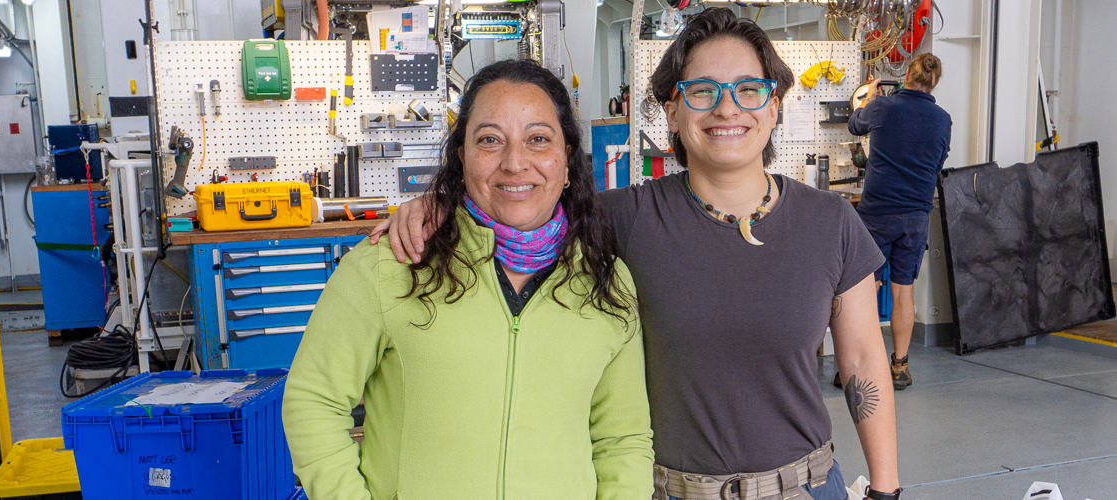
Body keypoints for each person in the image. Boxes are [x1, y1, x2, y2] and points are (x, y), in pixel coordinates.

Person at [372, 8, 902, 500]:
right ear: (672, 111)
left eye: (748, 89)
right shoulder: (621, 219)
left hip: (805, 487)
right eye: (701, 91)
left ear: (774, 106)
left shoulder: (831, 222)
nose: (726, 108)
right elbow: (519, 206)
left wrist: (885, 487)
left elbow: (860, 359)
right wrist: (439, 205)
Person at [283, 60, 654, 500]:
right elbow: (313, 402)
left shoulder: (606, 282)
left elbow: (622, 440)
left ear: (568, 160)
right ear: (462, 157)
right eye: (490, 140)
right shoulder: (393, 264)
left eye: (538, 139)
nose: (515, 163)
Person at [847, 54, 952, 391]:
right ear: (935, 82)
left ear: (907, 74)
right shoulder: (943, 119)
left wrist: (870, 99)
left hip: (877, 213)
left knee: (866, 289)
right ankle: (899, 366)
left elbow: (854, 125)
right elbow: (938, 160)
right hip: (916, 215)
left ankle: (860, 365)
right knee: (903, 290)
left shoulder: (884, 107)